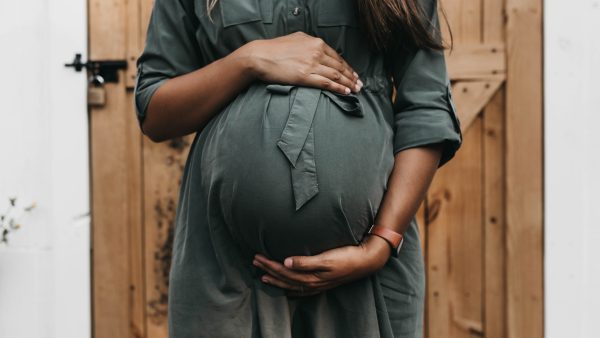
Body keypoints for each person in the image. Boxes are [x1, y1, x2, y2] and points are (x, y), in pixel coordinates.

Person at [134, 0, 462, 337]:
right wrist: (248, 61)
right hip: (227, 272)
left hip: (366, 275)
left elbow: (426, 108)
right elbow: (156, 113)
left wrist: (381, 243)